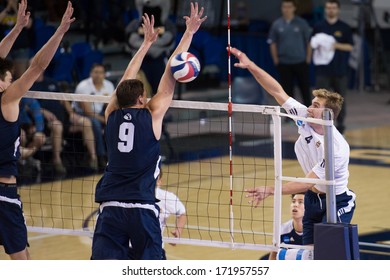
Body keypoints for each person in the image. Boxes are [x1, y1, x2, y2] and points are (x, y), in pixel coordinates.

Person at [91, 3, 206, 260]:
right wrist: (189, 33)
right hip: (142, 207)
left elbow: (125, 81)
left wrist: (144, 45)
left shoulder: (110, 115)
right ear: (143, 99)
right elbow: (171, 72)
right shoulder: (152, 114)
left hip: (111, 206)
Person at [229, 46, 356, 245]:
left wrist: (270, 190)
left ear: (327, 115)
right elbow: (276, 90)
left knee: (329, 251)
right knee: (308, 252)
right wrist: (251, 65)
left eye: (315, 106)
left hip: (336, 200)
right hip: (312, 200)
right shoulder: (304, 117)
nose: (308, 107)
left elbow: (306, 183)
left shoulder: (336, 148)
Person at [0, 1, 74, 260]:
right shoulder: (7, 100)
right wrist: (60, 32)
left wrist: (18, 28)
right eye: (9, 78)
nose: (12, 80)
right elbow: (38, 66)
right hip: (3, 196)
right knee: (23, 262)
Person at [311, 0, 353, 134]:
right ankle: (319, 122)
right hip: (323, 71)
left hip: (339, 70)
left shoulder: (344, 27)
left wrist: (335, 45)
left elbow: (350, 46)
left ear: (338, 10)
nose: (330, 10)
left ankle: (340, 125)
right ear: (325, 10)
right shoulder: (318, 26)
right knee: (320, 99)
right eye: (328, 8)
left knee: (339, 99)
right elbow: (312, 43)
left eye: (333, 8)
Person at [268, 0, 312, 108]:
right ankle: (290, 114)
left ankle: (309, 112)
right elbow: (272, 43)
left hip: (300, 61)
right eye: (284, 7)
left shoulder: (302, 23)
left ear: (294, 8)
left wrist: (308, 58)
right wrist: (276, 60)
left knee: (305, 88)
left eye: (289, 7)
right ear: (281, 8)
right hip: (284, 62)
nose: (287, 9)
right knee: (287, 90)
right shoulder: (277, 24)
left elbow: (309, 42)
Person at [74, 63, 115, 170]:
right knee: (96, 124)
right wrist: (105, 120)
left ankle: (114, 156)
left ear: (104, 74)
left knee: (115, 123)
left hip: (101, 112)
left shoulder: (109, 85)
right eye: (96, 72)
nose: (98, 75)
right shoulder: (83, 86)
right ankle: (101, 156)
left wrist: (108, 107)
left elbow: (112, 106)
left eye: (101, 72)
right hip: (82, 114)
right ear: (91, 73)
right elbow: (88, 112)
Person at [155, 170, 186, 260]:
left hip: (155, 249)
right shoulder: (131, 195)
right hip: (129, 248)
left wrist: (178, 230)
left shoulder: (166, 197)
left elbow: (182, 213)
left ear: (159, 182)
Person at [269, 193, 304, 260]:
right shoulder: (281, 229)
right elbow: (273, 256)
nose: (295, 205)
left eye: (300, 202)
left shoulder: (316, 231)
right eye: (293, 201)